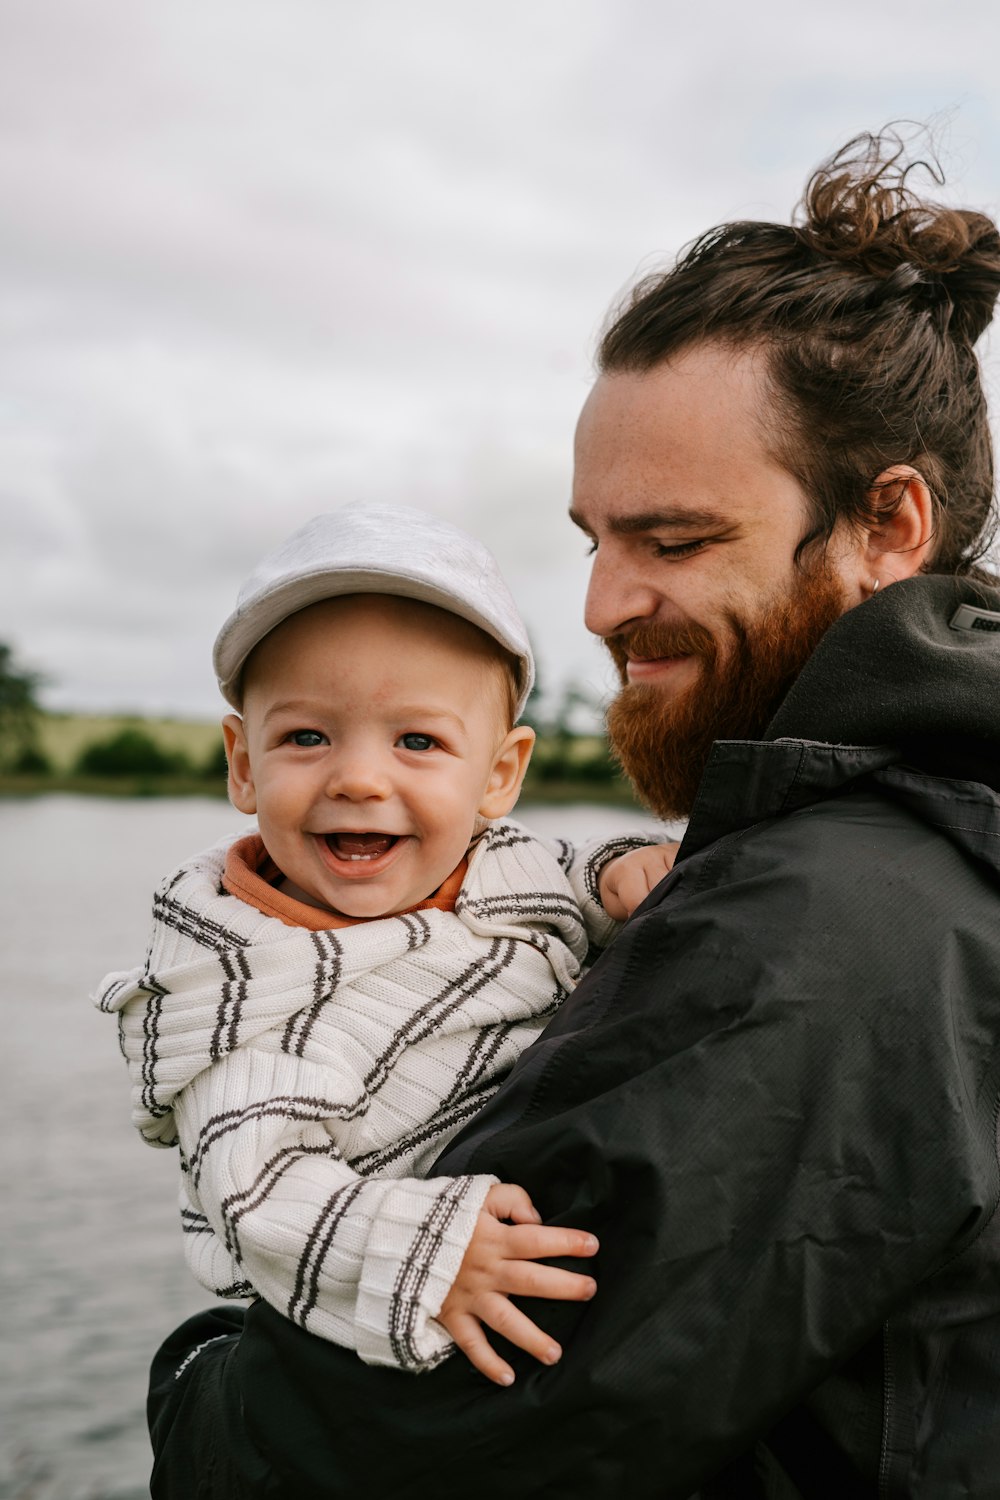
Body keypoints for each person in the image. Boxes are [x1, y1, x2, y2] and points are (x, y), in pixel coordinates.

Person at [142, 129, 1000, 1499]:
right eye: (591, 540)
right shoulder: (924, 842)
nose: (601, 606)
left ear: (887, 525)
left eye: (672, 541)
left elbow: (396, 1456)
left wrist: (194, 1381)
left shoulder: (813, 930)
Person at [96, 505, 674, 1389]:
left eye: (417, 741)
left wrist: (618, 876)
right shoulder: (242, 1005)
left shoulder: (506, 868)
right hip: (394, 1325)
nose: (360, 778)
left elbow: (570, 878)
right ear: (243, 763)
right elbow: (258, 1199)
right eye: (306, 737)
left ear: (499, 775)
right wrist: (432, 1255)